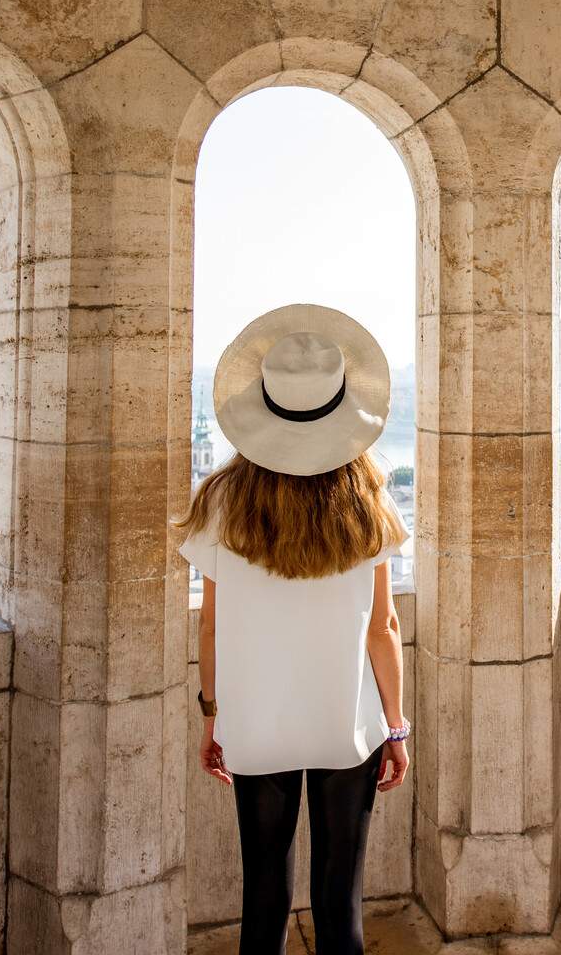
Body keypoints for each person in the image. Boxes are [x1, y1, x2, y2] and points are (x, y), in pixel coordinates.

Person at [176, 303, 412, 955]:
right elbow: (383, 628)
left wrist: (211, 718)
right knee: (342, 906)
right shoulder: (368, 501)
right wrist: (396, 728)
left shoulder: (223, 500)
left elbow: (213, 628)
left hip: (256, 724)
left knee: (264, 901)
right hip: (348, 723)